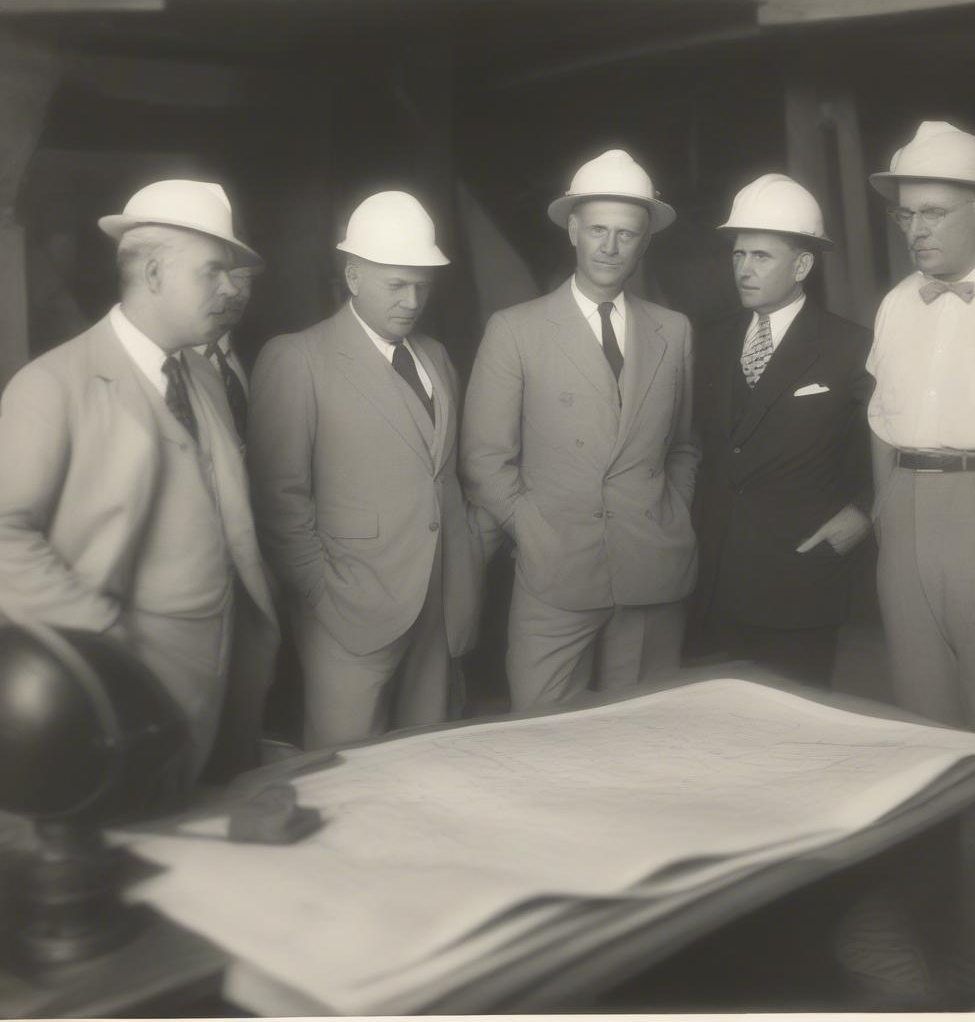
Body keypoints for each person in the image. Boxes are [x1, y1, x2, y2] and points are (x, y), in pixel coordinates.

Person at [0, 179, 279, 781]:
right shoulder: (51, 385)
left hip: (225, 670)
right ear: (153, 273)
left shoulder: (204, 379)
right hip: (117, 681)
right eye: (214, 272)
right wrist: (103, 636)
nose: (233, 290)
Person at [248, 191, 491, 748]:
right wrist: (324, 594)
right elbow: (279, 500)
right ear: (354, 277)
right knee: (346, 771)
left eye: (422, 286)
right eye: (396, 285)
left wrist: (469, 556)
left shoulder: (435, 356)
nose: (412, 301)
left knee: (429, 760)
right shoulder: (298, 359)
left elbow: (445, 476)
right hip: (348, 611)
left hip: (437, 602)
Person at [461, 149, 699, 710]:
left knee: (641, 739)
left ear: (646, 241)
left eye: (626, 234)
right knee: (542, 737)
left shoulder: (675, 330)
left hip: (652, 567)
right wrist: (533, 532)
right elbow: (484, 460)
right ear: (573, 230)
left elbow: (685, 446)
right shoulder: (514, 330)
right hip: (555, 570)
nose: (611, 247)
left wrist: (672, 514)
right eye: (598, 230)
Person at [867, 120, 975, 735]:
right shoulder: (897, 302)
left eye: (933, 213)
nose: (917, 230)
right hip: (907, 506)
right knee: (919, 710)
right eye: (906, 216)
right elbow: (881, 418)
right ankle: (942, 831)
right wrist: (885, 506)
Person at [691, 174, 873, 685]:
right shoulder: (712, 340)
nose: (744, 270)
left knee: (798, 733)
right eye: (738, 255)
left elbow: (886, 445)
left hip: (802, 577)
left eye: (761, 257)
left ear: (802, 265)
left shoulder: (850, 346)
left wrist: (865, 513)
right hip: (718, 578)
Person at [200, 262, 257, 440]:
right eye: (232, 276)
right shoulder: (170, 362)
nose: (239, 291)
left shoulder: (257, 352)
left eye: (245, 278)